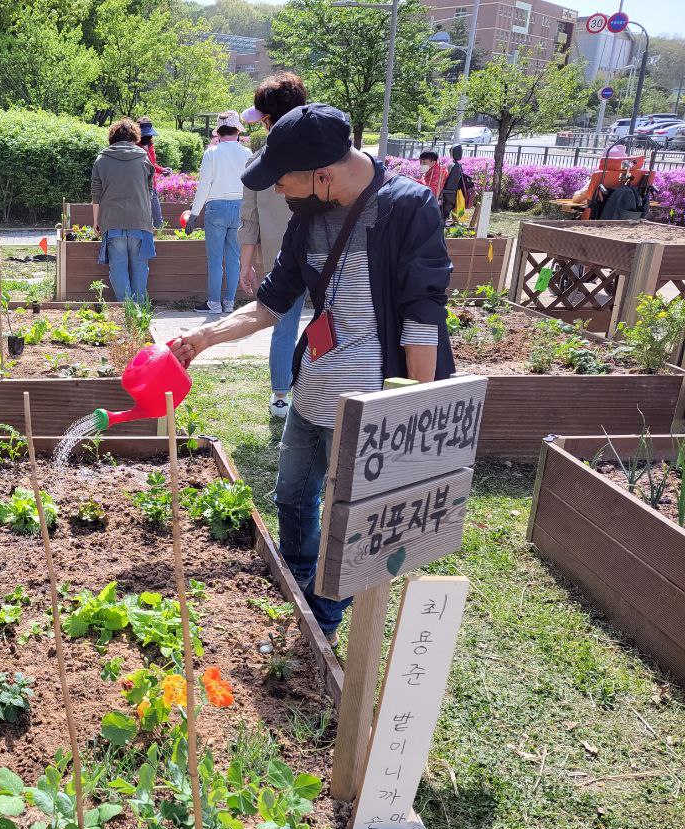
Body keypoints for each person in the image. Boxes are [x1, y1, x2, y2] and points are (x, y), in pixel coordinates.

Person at [170, 104, 454, 636]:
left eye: (284, 180)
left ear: (323, 174)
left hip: (371, 398)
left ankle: (325, 611)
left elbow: (423, 315)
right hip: (316, 384)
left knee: (351, 519)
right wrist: (204, 338)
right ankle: (298, 581)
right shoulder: (307, 215)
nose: (278, 190)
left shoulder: (406, 208)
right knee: (294, 496)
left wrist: (416, 409)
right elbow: (272, 301)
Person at [239, 72, 308, 418]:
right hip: (328, 257)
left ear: (268, 120)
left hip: (282, 261)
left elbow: (249, 219)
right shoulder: (322, 154)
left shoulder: (257, 162)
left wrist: (245, 263)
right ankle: (323, 392)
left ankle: (282, 395)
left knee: (284, 325)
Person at [187, 110, 249, 316]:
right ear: (238, 131)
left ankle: (214, 303)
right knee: (233, 258)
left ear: (219, 132)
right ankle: (229, 303)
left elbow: (204, 185)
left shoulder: (211, 153)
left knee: (215, 260)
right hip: (239, 207)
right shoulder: (247, 153)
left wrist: (194, 213)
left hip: (216, 208)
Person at [91, 117, 157, 304]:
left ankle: (128, 310)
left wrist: (96, 221)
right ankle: (140, 311)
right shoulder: (143, 157)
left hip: (112, 221)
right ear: (134, 136)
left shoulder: (102, 159)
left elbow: (96, 193)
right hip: (140, 221)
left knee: (118, 267)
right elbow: (149, 191)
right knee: (139, 267)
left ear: (112, 137)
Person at [137, 117, 168, 229]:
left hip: (151, 185)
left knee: (157, 218)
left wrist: (162, 170)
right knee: (143, 218)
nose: (147, 137)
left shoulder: (150, 145)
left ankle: (160, 238)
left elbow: (152, 164)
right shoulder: (134, 147)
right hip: (139, 186)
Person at [440, 144, 467, 220]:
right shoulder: (454, 165)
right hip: (447, 193)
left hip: (448, 194)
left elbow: (451, 185)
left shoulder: (454, 166)